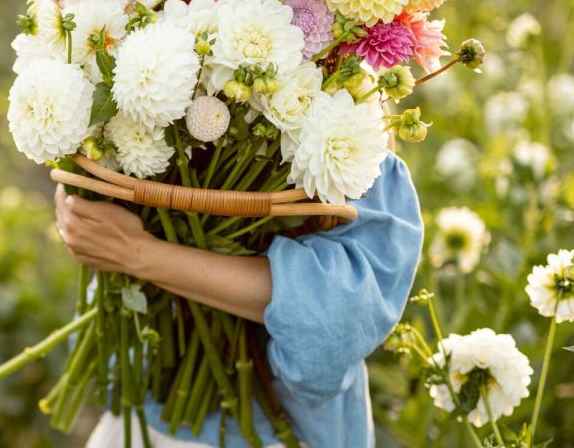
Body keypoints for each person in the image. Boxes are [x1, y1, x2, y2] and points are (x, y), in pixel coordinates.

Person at [53, 152, 424, 448]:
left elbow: (337, 311)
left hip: (273, 430)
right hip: (141, 414)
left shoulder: (354, 137)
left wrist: (138, 254)